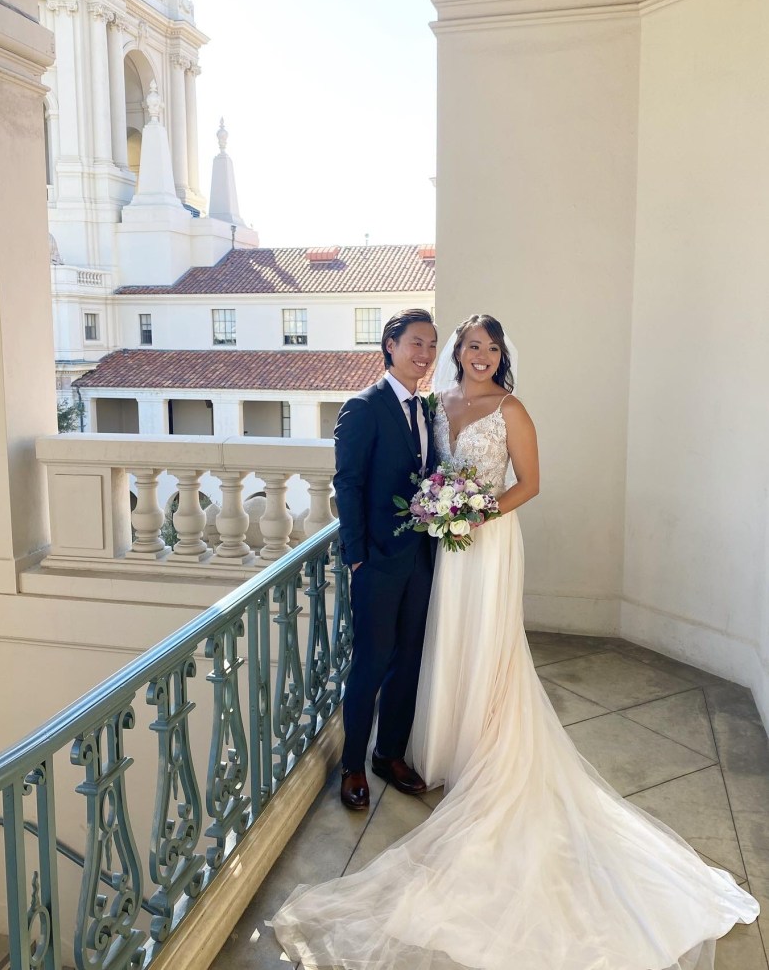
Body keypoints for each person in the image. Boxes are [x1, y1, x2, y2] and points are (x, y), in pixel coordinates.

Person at [272, 313, 760, 969]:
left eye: (490, 347)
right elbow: (364, 482)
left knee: (469, 646)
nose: (479, 354)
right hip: (428, 553)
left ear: (501, 355)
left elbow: (528, 483)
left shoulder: (510, 409)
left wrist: (472, 513)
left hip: (483, 544)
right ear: (429, 350)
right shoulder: (430, 403)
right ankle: (377, 760)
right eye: (467, 345)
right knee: (418, 650)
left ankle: (453, 748)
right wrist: (366, 551)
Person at [333, 308, 438, 811]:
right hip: (375, 561)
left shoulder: (427, 409)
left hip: (421, 557)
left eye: (432, 345)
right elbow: (347, 484)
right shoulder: (363, 406)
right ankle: (352, 764)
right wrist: (357, 559)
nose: (425, 354)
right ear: (390, 346)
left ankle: (388, 754)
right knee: (371, 663)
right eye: (416, 342)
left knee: (409, 658)